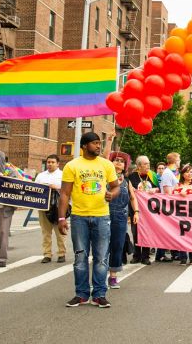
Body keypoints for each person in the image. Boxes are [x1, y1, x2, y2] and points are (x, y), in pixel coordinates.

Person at [59, 132, 119, 308]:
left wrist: (112, 194)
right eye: (95, 143)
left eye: (99, 143)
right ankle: (81, 294)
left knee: (101, 258)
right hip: (79, 217)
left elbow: (116, 187)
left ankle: (99, 295)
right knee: (80, 257)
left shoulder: (106, 164)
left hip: (102, 217)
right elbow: (65, 193)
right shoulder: (72, 166)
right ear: (84, 146)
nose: (98, 146)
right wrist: (62, 217)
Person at [107, 151, 137, 289]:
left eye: (122, 161)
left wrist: (136, 212)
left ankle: (113, 276)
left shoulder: (127, 181)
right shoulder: (105, 177)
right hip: (105, 215)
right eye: (116, 160)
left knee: (117, 245)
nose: (119, 163)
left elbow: (133, 198)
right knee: (102, 246)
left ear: (125, 165)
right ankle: (99, 276)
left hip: (120, 217)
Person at [128, 155, 159, 265]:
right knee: (136, 232)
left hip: (148, 210)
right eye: (145, 164)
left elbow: (159, 188)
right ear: (139, 166)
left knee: (147, 232)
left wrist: (154, 189)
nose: (148, 166)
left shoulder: (152, 176)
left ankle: (145, 256)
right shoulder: (132, 177)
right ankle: (137, 255)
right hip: (135, 209)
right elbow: (129, 191)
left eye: (148, 163)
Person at [36, 154, 66, 263]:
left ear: (58, 164)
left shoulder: (63, 175)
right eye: (48, 162)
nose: (50, 164)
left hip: (58, 208)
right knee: (46, 232)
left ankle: (61, 253)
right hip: (44, 207)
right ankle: (47, 254)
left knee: (60, 232)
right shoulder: (41, 176)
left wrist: (56, 187)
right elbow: (34, 189)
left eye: (53, 162)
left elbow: (68, 190)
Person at [155, 158, 177, 263]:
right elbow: (167, 191)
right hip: (167, 205)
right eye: (159, 168)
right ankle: (160, 254)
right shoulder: (166, 174)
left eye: (162, 168)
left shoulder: (169, 173)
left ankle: (173, 253)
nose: (161, 170)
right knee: (165, 230)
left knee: (170, 230)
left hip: (168, 205)